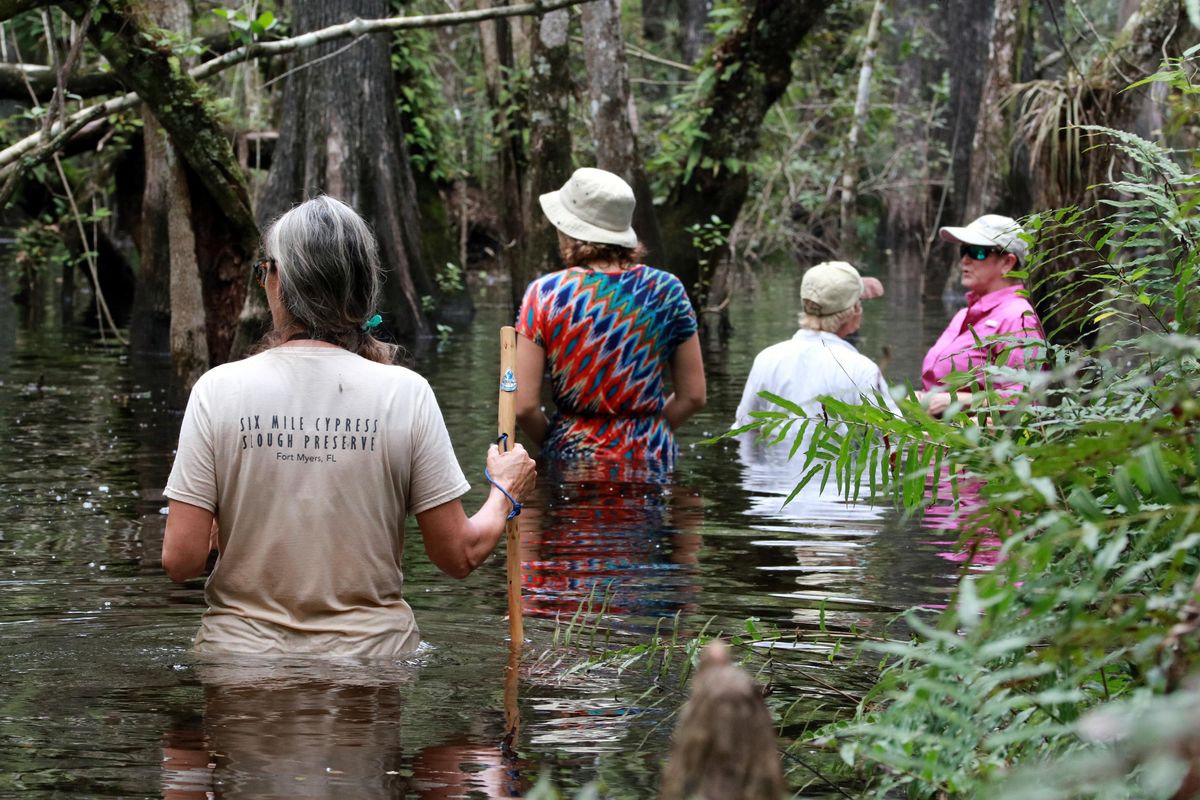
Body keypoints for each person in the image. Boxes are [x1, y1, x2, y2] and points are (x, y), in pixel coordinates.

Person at [161, 195, 536, 657]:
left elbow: (181, 562)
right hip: (371, 663)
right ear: (361, 288)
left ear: (278, 282)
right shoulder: (406, 392)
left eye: (264, 271)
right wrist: (505, 492)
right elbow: (459, 556)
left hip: (239, 663)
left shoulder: (217, 390)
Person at [515, 167, 706, 466]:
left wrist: (561, 440)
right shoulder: (668, 289)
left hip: (571, 454)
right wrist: (647, 432)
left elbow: (524, 407)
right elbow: (693, 396)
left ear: (568, 229)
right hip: (651, 453)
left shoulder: (545, 294)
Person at [732, 260, 898, 436]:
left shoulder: (766, 359)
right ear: (854, 311)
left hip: (774, 462)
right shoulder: (862, 370)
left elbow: (745, 429)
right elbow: (892, 439)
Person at [920, 214, 1044, 416]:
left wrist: (958, 401)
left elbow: (1026, 396)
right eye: (963, 250)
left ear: (1007, 262)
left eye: (977, 252)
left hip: (975, 442)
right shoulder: (964, 314)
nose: (964, 260)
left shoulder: (1018, 317)